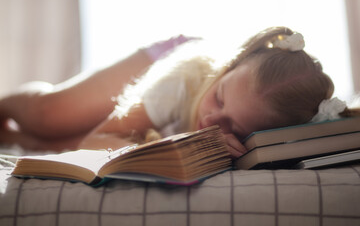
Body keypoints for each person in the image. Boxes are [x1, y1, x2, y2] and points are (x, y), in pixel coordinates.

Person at [0, 27, 358, 157]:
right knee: (53, 116)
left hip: (163, 111)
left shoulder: (280, 125)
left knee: (54, 145)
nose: (211, 119)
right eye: (219, 98)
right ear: (229, 67)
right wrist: (181, 144)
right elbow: (97, 140)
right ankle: (6, 103)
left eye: (235, 127)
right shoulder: (187, 78)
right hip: (160, 62)